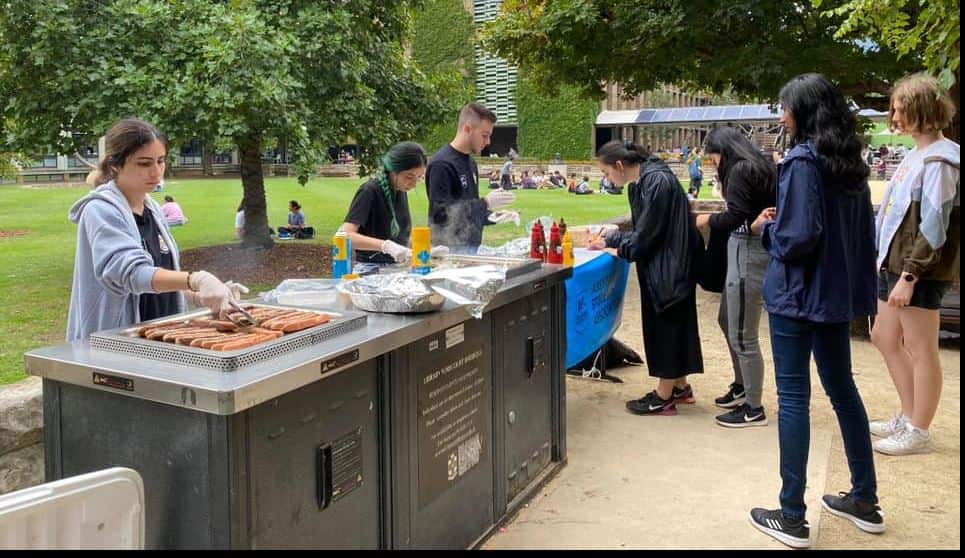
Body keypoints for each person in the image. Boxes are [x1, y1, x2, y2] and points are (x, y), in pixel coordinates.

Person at [747, 74, 882, 549]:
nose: (781, 116)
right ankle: (865, 498)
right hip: (832, 297)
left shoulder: (804, 161)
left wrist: (768, 231)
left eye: (784, 107)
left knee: (794, 399)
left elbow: (798, 238)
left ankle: (791, 515)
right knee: (843, 391)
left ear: (802, 111)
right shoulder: (851, 166)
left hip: (798, 296)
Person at [66, 118, 242, 342]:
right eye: (144, 163)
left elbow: (154, 276)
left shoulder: (153, 209)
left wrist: (201, 295)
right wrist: (196, 279)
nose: (156, 172)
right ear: (115, 164)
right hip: (117, 343)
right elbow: (130, 273)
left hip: (162, 336)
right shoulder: (100, 211)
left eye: (161, 161)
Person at [869, 73, 960, 456]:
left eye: (901, 109)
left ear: (922, 110)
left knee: (921, 347)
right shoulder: (916, 155)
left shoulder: (941, 160)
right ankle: (909, 415)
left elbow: (934, 227)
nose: (894, 116)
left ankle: (918, 428)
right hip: (895, 263)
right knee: (883, 337)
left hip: (917, 269)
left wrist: (910, 275)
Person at [589, 140, 703, 416]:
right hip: (671, 263)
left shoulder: (654, 182)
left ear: (619, 165)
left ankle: (663, 396)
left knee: (665, 327)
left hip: (669, 266)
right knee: (676, 325)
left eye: (606, 173)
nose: (607, 179)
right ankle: (679, 386)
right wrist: (615, 237)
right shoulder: (645, 181)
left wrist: (612, 244)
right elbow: (645, 227)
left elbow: (646, 235)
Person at [694, 127, 778, 428]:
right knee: (728, 320)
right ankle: (742, 386)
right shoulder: (758, 164)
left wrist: (706, 220)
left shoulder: (741, 170)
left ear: (722, 151)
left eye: (712, 157)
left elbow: (735, 216)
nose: (713, 163)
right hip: (744, 248)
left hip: (749, 252)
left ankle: (754, 407)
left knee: (743, 332)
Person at [340, 141, 449, 270]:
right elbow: (345, 235)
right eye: (409, 176)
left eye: (419, 177)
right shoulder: (370, 191)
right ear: (394, 171)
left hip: (395, 268)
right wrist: (385, 246)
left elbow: (399, 238)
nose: (413, 184)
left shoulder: (399, 191)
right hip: (370, 269)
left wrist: (424, 250)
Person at [426, 102, 516, 253]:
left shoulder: (470, 162)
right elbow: (440, 215)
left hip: (471, 248)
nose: (488, 142)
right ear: (467, 128)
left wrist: (494, 215)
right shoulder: (442, 164)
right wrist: (485, 202)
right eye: (484, 135)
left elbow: (469, 207)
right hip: (448, 251)